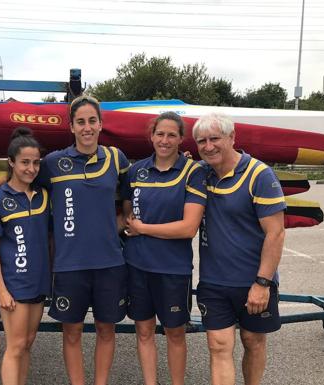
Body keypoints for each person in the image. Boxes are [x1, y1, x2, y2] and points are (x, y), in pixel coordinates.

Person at [0, 95, 131, 385]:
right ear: (71, 126)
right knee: (71, 332)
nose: (87, 127)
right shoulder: (52, 162)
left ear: (101, 124)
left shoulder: (116, 158)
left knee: (106, 330)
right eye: (80, 122)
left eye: (92, 121)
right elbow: (20, 174)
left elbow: (129, 191)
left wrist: (125, 219)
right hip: (68, 265)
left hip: (110, 262)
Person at [193, 112, 286, 385]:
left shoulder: (260, 174)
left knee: (253, 341)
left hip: (253, 281)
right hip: (214, 282)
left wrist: (262, 283)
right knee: (218, 346)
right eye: (201, 141)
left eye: (214, 139)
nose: (208, 146)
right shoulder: (200, 173)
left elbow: (276, 233)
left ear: (232, 137)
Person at [121, 112, 206, 385]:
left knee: (175, 334)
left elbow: (188, 227)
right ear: (152, 136)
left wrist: (143, 229)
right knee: (143, 332)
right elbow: (127, 213)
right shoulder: (136, 171)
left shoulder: (193, 172)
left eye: (171, 135)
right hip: (137, 265)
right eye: (160, 134)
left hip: (172, 269)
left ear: (181, 138)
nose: (165, 140)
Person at [0, 127, 51, 385]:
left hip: (39, 282)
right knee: (15, 346)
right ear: (11, 162)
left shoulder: (43, 195)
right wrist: (1, 289)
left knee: (28, 344)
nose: (31, 169)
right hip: (14, 285)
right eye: (24, 162)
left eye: (35, 163)